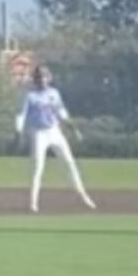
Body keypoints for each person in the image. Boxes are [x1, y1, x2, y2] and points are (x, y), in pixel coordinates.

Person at [14, 65, 95, 214]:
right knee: (37, 167)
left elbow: (61, 112)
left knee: (69, 162)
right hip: (39, 133)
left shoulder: (54, 93)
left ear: (49, 78)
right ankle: (33, 202)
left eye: (44, 77)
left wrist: (73, 128)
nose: (42, 80)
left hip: (54, 131)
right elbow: (21, 115)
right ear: (35, 80)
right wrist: (19, 133)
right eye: (39, 77)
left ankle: (83, 196)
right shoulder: (30, 96)